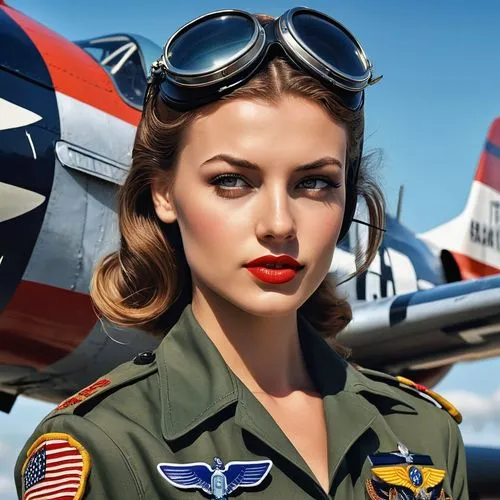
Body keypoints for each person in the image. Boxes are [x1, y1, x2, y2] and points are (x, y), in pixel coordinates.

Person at [15, 7, 468, 499]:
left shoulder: (428, 434)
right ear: (163, 193)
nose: (278, 224)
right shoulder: (101, 446)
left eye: (314, 183)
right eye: (231, 181)